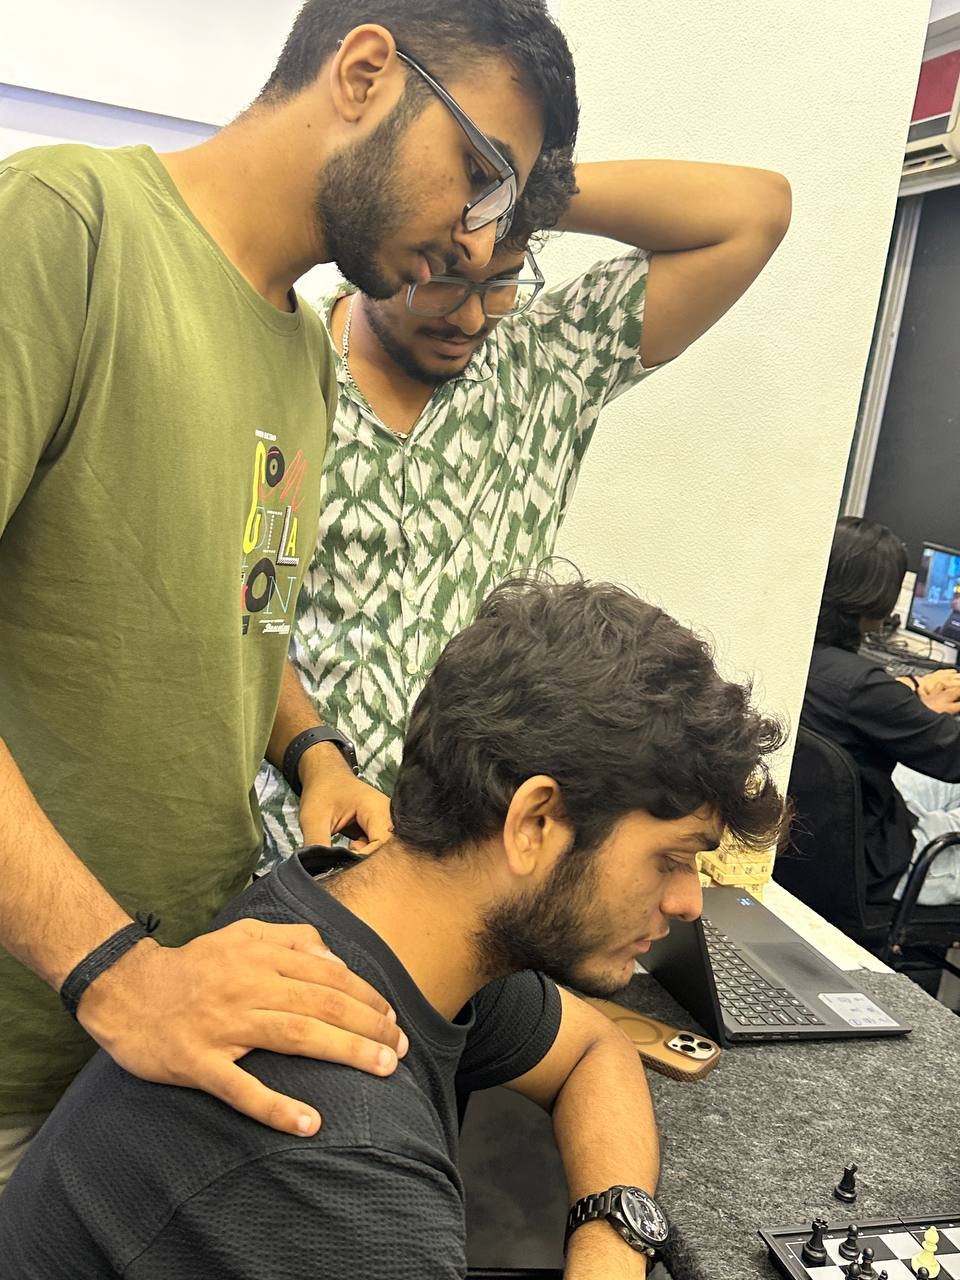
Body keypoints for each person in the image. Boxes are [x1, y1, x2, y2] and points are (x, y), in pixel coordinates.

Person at [0, 0, 579, 1183]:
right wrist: (117, 972)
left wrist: (315, 754)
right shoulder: (67, 226)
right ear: (364, 72)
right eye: (479, 174)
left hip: (156, 1053)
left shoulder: (304, 350)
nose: (478, 244)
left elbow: (232, 612)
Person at [0, 576, 785, 1278]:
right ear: (533, 823)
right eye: (670, 859)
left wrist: (612, 1237)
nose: (687, 902)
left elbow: (596, 1050)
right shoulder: (347, 1172)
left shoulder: (353, 919)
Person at [258, 150, 793, 857]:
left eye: (501, 281)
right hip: (300, 843)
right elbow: (246, 615)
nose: (470, 315)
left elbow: (755, 212)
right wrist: (318, 758)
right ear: (373, 247)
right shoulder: (280, 374)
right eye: (441, 277)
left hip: (480, 858)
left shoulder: (548, 361)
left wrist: (511, 192)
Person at [800, 517, 960, 905]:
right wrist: (911, 707)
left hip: (818, 843)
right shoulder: (865, 689)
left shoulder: (801, 654)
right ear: (875, 598)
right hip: (877, 864)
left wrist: (912, 700)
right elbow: (954, 757)